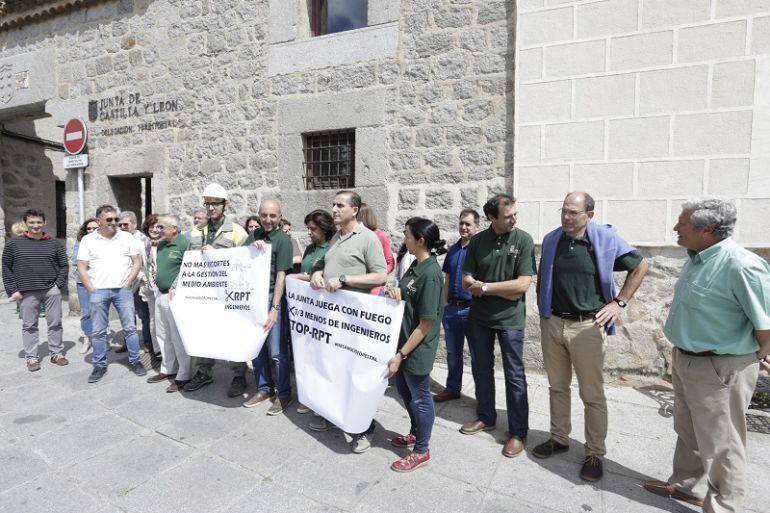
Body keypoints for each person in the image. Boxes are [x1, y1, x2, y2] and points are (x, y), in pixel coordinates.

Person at [643, 199, 770, 512]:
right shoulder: (698, 256)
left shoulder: (742, 265)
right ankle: (689, 486)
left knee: (722, 446)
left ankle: (724, 507)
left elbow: (766, 322)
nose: (675, 228)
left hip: (720, 368)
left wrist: (760, 356)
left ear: (709, 229)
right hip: (687, 359)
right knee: (688, 431)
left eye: (682, 224)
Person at [534, 192, 649, 482]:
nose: (566, 217)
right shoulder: (551, 239)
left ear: (590, 214)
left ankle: (595, 452)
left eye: (573, 212)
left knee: (592, 394)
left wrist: (618, 303)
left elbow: (640, 265)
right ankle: (559, 438)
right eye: (563, 211)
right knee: (557, 387)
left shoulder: (604, 239)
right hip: (554, 323)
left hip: (588, 327)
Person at [309, 190, 387, 453]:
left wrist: (344, 280)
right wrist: (318, 274)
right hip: (333, 321)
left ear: (355, 210)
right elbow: (321, 264)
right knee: (335, 369)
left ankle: (365, 429)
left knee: (356, 377)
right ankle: (334, 417)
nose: (334, 208)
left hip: (355, 322)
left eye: (340, 205)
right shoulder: (336, 238)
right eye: (333, 204)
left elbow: (380, 276)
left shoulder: (368, 238)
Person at [460, 194, 536, 459]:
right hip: (480, 319)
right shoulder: (478, 242)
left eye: (515, 213)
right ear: (492, 218)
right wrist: (498, 288)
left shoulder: (523, 240)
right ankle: (486, 417)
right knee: (481, 369)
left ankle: (518, 432)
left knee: (515, 376)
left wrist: (486, 287)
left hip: (510, 321)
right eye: (507, 216)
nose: (514, 219)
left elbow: (522, 286)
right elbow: (466, 280)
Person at [386, 217, 446, 472]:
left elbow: (426, 323)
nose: (404, 239)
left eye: (407, 235)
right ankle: (415, 431)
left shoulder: (431, 274)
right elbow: (408, 296)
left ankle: (421, 449)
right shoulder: (415, 265)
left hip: (416, 349)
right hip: (404, 342)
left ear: (420, 240)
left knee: (421, 398)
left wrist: (400, 355)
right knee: (405, 391)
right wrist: (396, 294)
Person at [182, 183, 249, 395]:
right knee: (203, 332)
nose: (211, 207)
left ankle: (239, 374)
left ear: (224, 205)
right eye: (207, 203)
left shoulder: (237, 231)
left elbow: (244, 263)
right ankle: (204, 371)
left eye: (215, 203)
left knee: (231, 334)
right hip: (203, 293)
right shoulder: (197, 230)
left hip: (226, 295)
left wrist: (217, 255)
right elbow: (189, 259)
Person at [77, 204, 146, 383]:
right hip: (98, 291)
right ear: (98, 220)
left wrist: (128, 284)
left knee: (130, 328)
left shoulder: (126, 238)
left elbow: (136, 262)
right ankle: (99, 365)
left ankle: (135, 361)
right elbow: (82, 268)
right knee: (98, 331)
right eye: (109, 219)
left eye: (116, 219)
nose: (114, 223)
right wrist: (91, 289)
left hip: (122, 290)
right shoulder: (88, 240)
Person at [241, 199, 294, 415]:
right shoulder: (253, 235)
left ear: (280, 217)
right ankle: (263, 388)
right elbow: (239, 260)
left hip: (273, 296)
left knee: (277, 351)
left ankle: (283, 394)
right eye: (264, 215)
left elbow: (281, 276)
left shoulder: (283, 240)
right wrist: (251, 249)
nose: (268, 220)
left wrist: (275, 308)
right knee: (256, 347)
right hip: (254, 298)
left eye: (273, 216)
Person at [2, 209, 69, 372]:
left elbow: (64, 265)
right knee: (29, 325)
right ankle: (32, 357)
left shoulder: (54, 244)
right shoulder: (14, 244)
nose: (35, 225)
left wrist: (57, 285)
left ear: (44, 223)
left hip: (50, 290)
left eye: (39, 222)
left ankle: (56, 353)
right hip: (26, 292)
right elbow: (6, 267)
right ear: (25, 224)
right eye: (32, 222)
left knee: (55, 323)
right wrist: (12, 290)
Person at [288, 209, 336, 414]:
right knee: (306, 354)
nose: (309, 232)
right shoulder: (309, 249)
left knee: (322, 357)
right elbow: (305, 270)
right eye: (308, 228)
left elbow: (327, 277)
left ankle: (322, 397)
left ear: (324, 229)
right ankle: (308, 395)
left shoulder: (333, 248)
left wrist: (303, 278)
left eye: (313, 228)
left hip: (324, 310)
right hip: (306, 309)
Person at [434, 208, 480, 403]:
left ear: (477, 226)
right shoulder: (453, 249)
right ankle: (453, 388)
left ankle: (482, 398)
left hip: (473, 309)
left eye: (468, 224)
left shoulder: (480, 249)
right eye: (461, 223)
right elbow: (448, 277)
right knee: (453, 353)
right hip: (452, 309)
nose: (463, 227)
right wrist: (444, 304)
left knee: (478, 357)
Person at [146, 214, 191, 393]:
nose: (158, 230)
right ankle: (167, 368)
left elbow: (188, 269)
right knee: (162, 334)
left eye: (162, 227)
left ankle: (183, 374)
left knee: (177, 337)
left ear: (174, 228)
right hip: (160, 295)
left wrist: (175, 286)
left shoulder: (183, 244)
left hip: (176, 297)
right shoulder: (161, 245)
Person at [118, 211, 155, 354]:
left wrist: (142, 278)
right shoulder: (117, 240)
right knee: (126, 315)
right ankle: (128, 343)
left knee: (144, 315)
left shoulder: (143, 240)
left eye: (125, 224)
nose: (122, 227)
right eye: (120, 224)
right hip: (122, 283)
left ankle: (148, 343)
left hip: (139, 283)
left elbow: (147, 262)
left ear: (134, 224)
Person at [71, 218, 99, 354]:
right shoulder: (80, 241)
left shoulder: (105, 242)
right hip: (83, 282)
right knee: (86, 312)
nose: (92, 231)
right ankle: (87, 339)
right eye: (89, 229)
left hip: (100, 282)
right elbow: (75, 260)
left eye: (95, 228)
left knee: (100, 311)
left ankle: (101, 339)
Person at [357, 202, 396, 275]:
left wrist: (379, 275)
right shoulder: (352, 235)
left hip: (374, 284)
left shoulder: (379, 235)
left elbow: (389, 262)